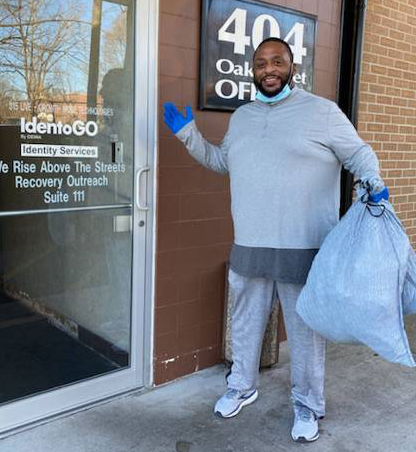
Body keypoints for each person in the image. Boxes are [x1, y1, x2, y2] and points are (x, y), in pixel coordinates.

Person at [162, 37, 387, 443]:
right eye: (262, 62)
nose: (269, 69)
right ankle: (241, 386)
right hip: (249, 243)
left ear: (292, 68)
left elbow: (359, 153)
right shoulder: (242, 117)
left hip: (304, 246)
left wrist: (374, 182)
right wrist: (189, 135)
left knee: (304, 333)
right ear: (253, 69)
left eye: (277, 61)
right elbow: (221, 163)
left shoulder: (322, 112)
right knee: (245, 325)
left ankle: (307, 404)